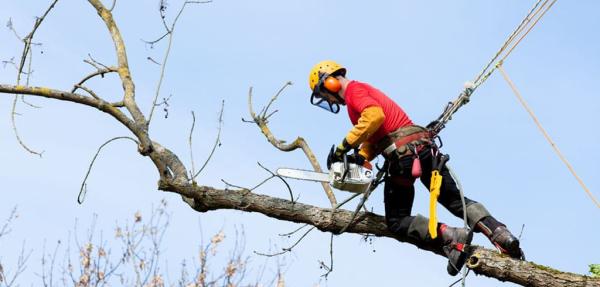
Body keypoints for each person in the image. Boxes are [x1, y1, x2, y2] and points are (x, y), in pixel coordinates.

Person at [308, 60, 524, 275]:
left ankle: (450, 237)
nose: (327, 99)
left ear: (329, 83)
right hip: (423, 149)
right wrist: (361, 156)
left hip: (403, 156)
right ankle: (501, 234)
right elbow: (376, 135)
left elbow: (374, 117)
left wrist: (343, 147)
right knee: (453, 199)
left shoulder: (354, 91)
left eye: (323, 93)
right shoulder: (362, 91)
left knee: (397, 220)